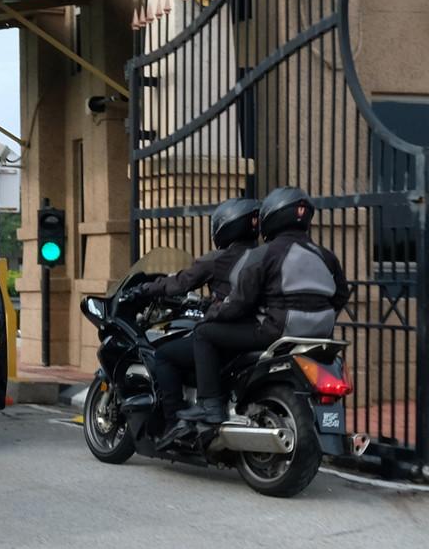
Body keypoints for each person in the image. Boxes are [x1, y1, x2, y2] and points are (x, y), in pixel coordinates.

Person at [177, 186, 349, 425]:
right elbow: (341, 295)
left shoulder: (265, 254)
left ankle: (210, 405)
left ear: (272, 217)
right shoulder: (325, 255)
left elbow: (240, 301)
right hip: (320, 334)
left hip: (276, 331)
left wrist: (212, 313)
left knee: (204, 334)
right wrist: (318, 315)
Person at [125, 198, 259, 447]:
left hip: (226, 334)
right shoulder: (265, 256)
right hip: (256, 332)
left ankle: (175, 421)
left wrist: (144, 288)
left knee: (164, 355)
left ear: (225, 226)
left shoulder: (219, 259)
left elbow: (180, 282)